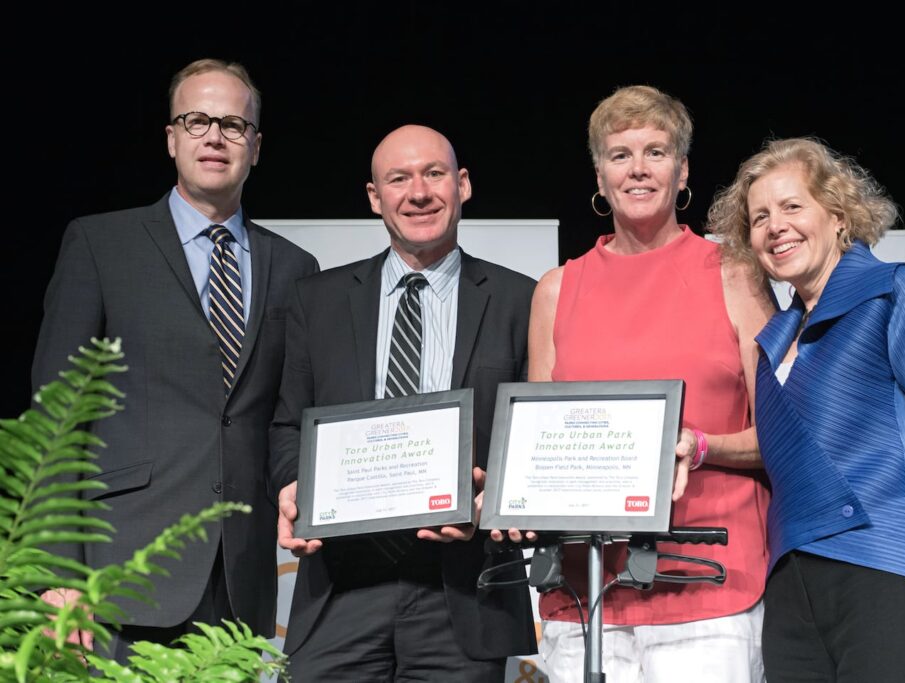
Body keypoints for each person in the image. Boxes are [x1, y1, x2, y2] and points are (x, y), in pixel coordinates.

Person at [31, 59, 319, 659]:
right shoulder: (101, 245)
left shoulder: (295, 268)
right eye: (196, 121)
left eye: (233, 125)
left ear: (256, 147)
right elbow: (55, 419)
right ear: (171, 138)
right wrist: (57, 572)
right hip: (116, 577)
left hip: (239, 585)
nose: (215, 137)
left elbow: (286, 419)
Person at [707, 137, 905, 682]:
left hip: (892, 571)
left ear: (838, 215)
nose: (776, 226)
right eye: (760, 217)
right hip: (791, 597)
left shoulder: (893, 293)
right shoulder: (771, 342)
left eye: (792, 206)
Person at [525, 85, 774, 682]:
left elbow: (782, 436)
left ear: (682, 170)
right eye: (620, 155)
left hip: (708, 583)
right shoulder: (556, 290)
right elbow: (536, 452)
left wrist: (703, 444)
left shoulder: (734, 275)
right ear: (600, 175)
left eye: (656, 152)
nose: (638, 169)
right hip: (585, 594)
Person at [270, 124, 538, 680]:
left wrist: (490, 502)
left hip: (465, 590)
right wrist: (294, 485)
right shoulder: (317, 300)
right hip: (340, 587)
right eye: (398, 179)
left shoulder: (521, 299)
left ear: (463, 184)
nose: (418, 193)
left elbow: (532, 443)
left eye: (434, 174)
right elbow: (287, 424)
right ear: (375, 197)